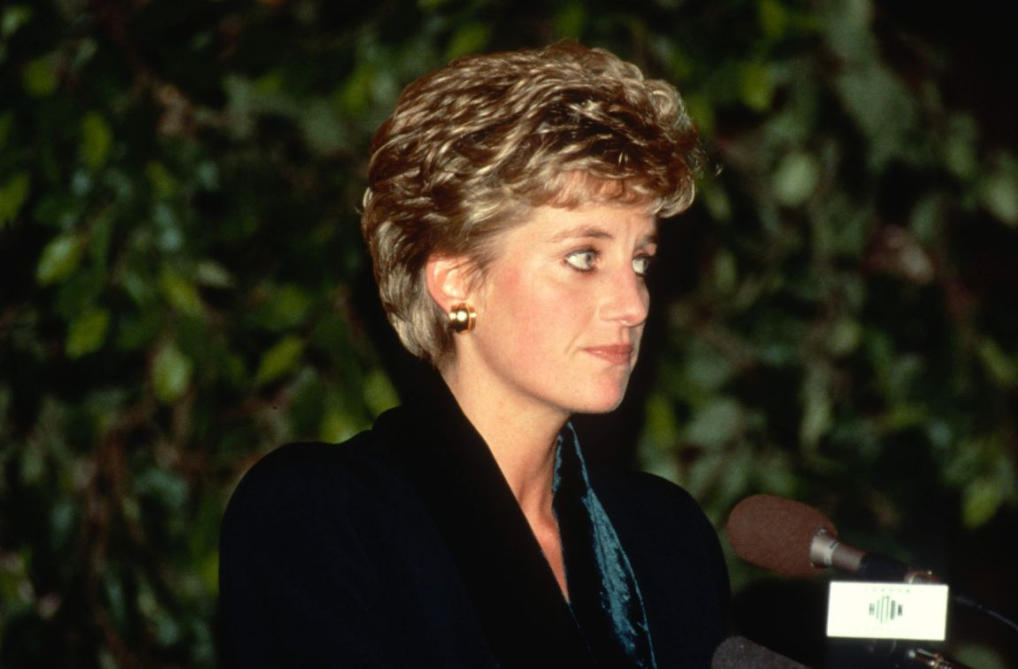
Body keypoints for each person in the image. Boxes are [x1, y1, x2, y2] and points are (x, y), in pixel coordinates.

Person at [218, 42, 728, 668]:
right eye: (584, 258)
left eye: (640, 260)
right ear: (457, 281)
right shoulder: (325, 517)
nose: (634, 304)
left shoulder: (665, 538)